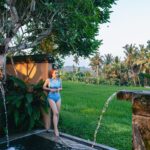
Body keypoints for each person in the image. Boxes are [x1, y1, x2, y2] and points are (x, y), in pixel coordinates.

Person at [43, 69, 62, 137]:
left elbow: (61, 88)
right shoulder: (48, 80)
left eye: (57, 73)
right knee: (55, 112)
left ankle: (56, 127)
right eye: (55, 73)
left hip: (58, 97)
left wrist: (57, 89)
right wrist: (50, 89)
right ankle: (56, 129)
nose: (57, 74)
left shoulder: (59, 80)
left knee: (57, 114)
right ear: (52, 74)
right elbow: (44, 87)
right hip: (51, 97)